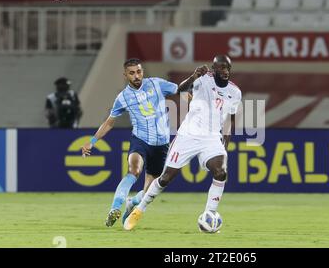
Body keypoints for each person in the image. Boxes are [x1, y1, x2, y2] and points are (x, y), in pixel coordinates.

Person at [81, 58, 208, 227]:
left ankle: (132, 202)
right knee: (134, 170)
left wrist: (194, 101)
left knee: (151, 190)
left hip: (162, 144)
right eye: (132, 73)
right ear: (125, 75)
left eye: (139, 72)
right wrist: (92, 141)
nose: (136, 76)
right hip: (140, 140)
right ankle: (115, 208)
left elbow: (180, 91)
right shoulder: (123, 97)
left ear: (142, 72)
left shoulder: (156, 84)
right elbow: (109, 122)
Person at [123, 55, 241, 231]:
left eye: (228, 68)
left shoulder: (235, 92)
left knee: (221, 171)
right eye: (221, 68)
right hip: (188, 134)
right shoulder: (203, 79)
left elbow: (230, 121)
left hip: (211, 138)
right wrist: (193, 76)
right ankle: (139, 210)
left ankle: (209, 214)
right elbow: (181, 89)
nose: (225, 71)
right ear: (214, 69)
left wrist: (225, 146)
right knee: (165, 178)